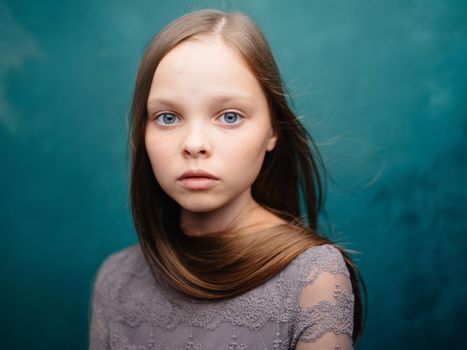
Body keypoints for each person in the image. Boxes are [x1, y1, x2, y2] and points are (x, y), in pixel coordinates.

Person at [88, 8, 367, 350]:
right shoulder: (115, 278)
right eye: (167, 117)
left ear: (272, 131)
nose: (193, 145)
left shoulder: (315, 276)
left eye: (230, 116)